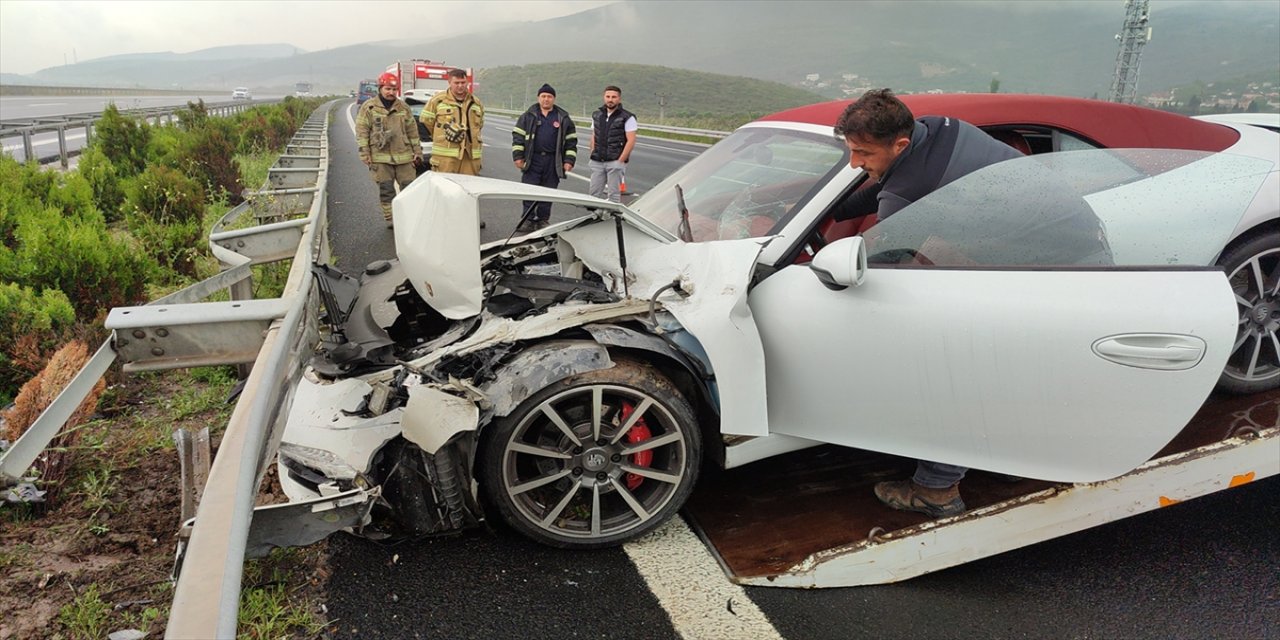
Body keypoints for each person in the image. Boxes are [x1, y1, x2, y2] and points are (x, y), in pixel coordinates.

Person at [833, 88, 1023, 519]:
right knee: (1008, 366)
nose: (855, 163)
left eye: (862, 153)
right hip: (1060, 248)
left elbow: (882, 258)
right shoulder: (935, 128)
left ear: (899, 144)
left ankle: (937, 488)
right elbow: (887, 187)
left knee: (951, 363)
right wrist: (829, 208)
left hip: (1052, 270)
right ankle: (1013, 457)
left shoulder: (914, 180)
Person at [355, 71, 422, 227]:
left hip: (404, 156)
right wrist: (365, 153)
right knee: (386, 190)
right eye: (388, 89)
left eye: (394, 89)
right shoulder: (369, 107)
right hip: (380, 156)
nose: (391, 92)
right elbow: (362, 131)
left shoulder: (403, 107)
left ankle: (407, 218)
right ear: (380, 88)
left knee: (409, 189)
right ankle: (391, 218)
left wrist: (417, 152)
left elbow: (412, 131)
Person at [511, 84, 578, 232]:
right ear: (538, 98)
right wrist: (518, 156)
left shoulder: (563, 118)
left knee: (549, 192)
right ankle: (527, 220)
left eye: (549, 97)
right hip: (532, 159)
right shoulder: (528, 116)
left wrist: (568, 161)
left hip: (552, 162)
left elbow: (571, 141)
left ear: (554, 99)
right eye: (543, 96)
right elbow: (518, 137)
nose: (546, 99)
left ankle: (542, 220)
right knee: (529, 190)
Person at [420, 68, 484, 176]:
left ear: (467, 82)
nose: (460, 86)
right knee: (445, 189)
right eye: (456, 83)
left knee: (467, 189)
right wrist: (441, 135)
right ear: (449, 83)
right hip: (445, 158)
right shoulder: (437, 100)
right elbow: (426, 122)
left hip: (470, 158)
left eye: (463, 82)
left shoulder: (476, 103)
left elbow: (480, 125)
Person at [588, 85, 637, 203]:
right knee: (593, 195)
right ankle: (596, 217)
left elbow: (631, 140)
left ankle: (613, 220)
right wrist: (592, 153)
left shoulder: (627, 117)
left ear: (619, 99)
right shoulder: (597, 115)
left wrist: (621, 160)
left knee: (613, 196)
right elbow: (594, 136)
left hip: (615, 161)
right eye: (608, 96)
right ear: (604, 97)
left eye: (614, 97)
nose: (610, 99)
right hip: (597, 161)